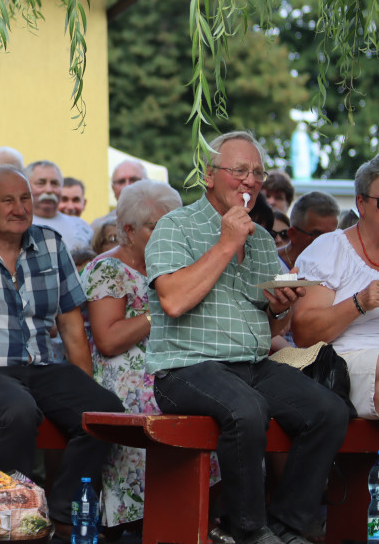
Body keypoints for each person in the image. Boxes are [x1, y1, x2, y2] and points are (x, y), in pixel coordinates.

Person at [145, 131, 348, 544]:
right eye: (239, 170)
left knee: (329, 411)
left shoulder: (259, 241)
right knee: (247, 409)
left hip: (251, 365)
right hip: (185, 367)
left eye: (257, 172)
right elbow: (173, 300)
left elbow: (272, 328)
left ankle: (288, 524)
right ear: (210, 175)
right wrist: (226, 242)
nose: (250, 181)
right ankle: (245, 530)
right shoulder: (175, 226)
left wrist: (280, 306)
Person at [0, 165, 124, 541]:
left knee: (104, 413)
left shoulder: (50, 243)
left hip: (39, 367)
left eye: (25, 198)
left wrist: (83, 386)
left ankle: (62, 515)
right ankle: (9, 522)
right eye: (7, 200)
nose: (19, 208)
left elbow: (71, 325)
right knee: (18, 410)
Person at [293, 154, 379, 544]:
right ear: (361, 203)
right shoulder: (330, 249)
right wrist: (360, 302)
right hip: (345, 367)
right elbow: (303, 331)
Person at [79, 180, 182, 531]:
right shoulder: (107, 269)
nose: (169, 233)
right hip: (125, 379)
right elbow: (108, 340)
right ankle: (133, 524)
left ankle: (187, 517)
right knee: (148, 405)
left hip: (173, 370)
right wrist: (159, 313)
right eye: (158, 226)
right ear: (128, 230)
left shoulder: (173, 268)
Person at [26, 160, 93, 252]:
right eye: (41, 183)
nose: (49, 190)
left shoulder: (81, 226)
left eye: (54, 183)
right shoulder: (17, 226)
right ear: (26, 186)